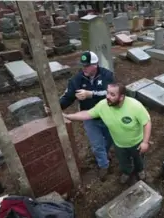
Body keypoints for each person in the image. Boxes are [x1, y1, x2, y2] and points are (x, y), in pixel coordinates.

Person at [44, 51, 114, 181]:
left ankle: (105, 151)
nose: (84, 68)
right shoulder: (76, 80)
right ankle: (104, 165)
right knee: (96, 144)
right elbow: (68, 97)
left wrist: (90, 94)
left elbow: (111, 94)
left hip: (108, 115)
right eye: (83, 66)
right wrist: (54, 108)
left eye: (87, 66)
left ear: (96, 64)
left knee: (110, 139)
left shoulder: (107, 75)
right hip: (88, 117)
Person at [63, 82, 152, 184]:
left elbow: (147, 123)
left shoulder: (135, 106)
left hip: (136, 142)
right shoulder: (103, 105)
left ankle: (140, 170)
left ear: (121, 97)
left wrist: (145, 142)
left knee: (138, 159)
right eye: (108, 93)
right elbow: (87, 114)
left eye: (112, 95)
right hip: (119, 144)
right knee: (123, 161)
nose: (108, 97)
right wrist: (68, 116)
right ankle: (127, 172)